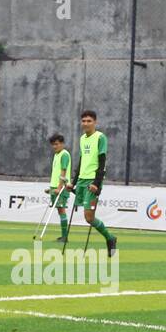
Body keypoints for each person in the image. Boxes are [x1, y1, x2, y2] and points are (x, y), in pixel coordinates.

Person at [67, 110, 117, 256]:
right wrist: (73, 182)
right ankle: (110, 238)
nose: (86, 123)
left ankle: (110, 238)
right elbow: (82, 161)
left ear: (95, 122)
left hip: (93, 181)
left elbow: (102, 162)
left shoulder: (100, 137)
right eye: (84, 121)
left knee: (89, 217)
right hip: (82, 179)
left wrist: (97, 182)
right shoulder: (82, 138)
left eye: (89, 121)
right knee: (85, 212)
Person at [47, 132, 71, 243]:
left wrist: (59, 187)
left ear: (62, 144)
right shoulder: (56, 155)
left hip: (61, 188)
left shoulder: (64, 154)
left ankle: (65, 237)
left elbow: (63, 171)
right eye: (53, 144)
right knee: (59, 210)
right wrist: (51, 188)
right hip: (55, 187)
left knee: (61, 210)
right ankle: (63, 236)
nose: (55, 146)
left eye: (57, 144)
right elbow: (56, 173)